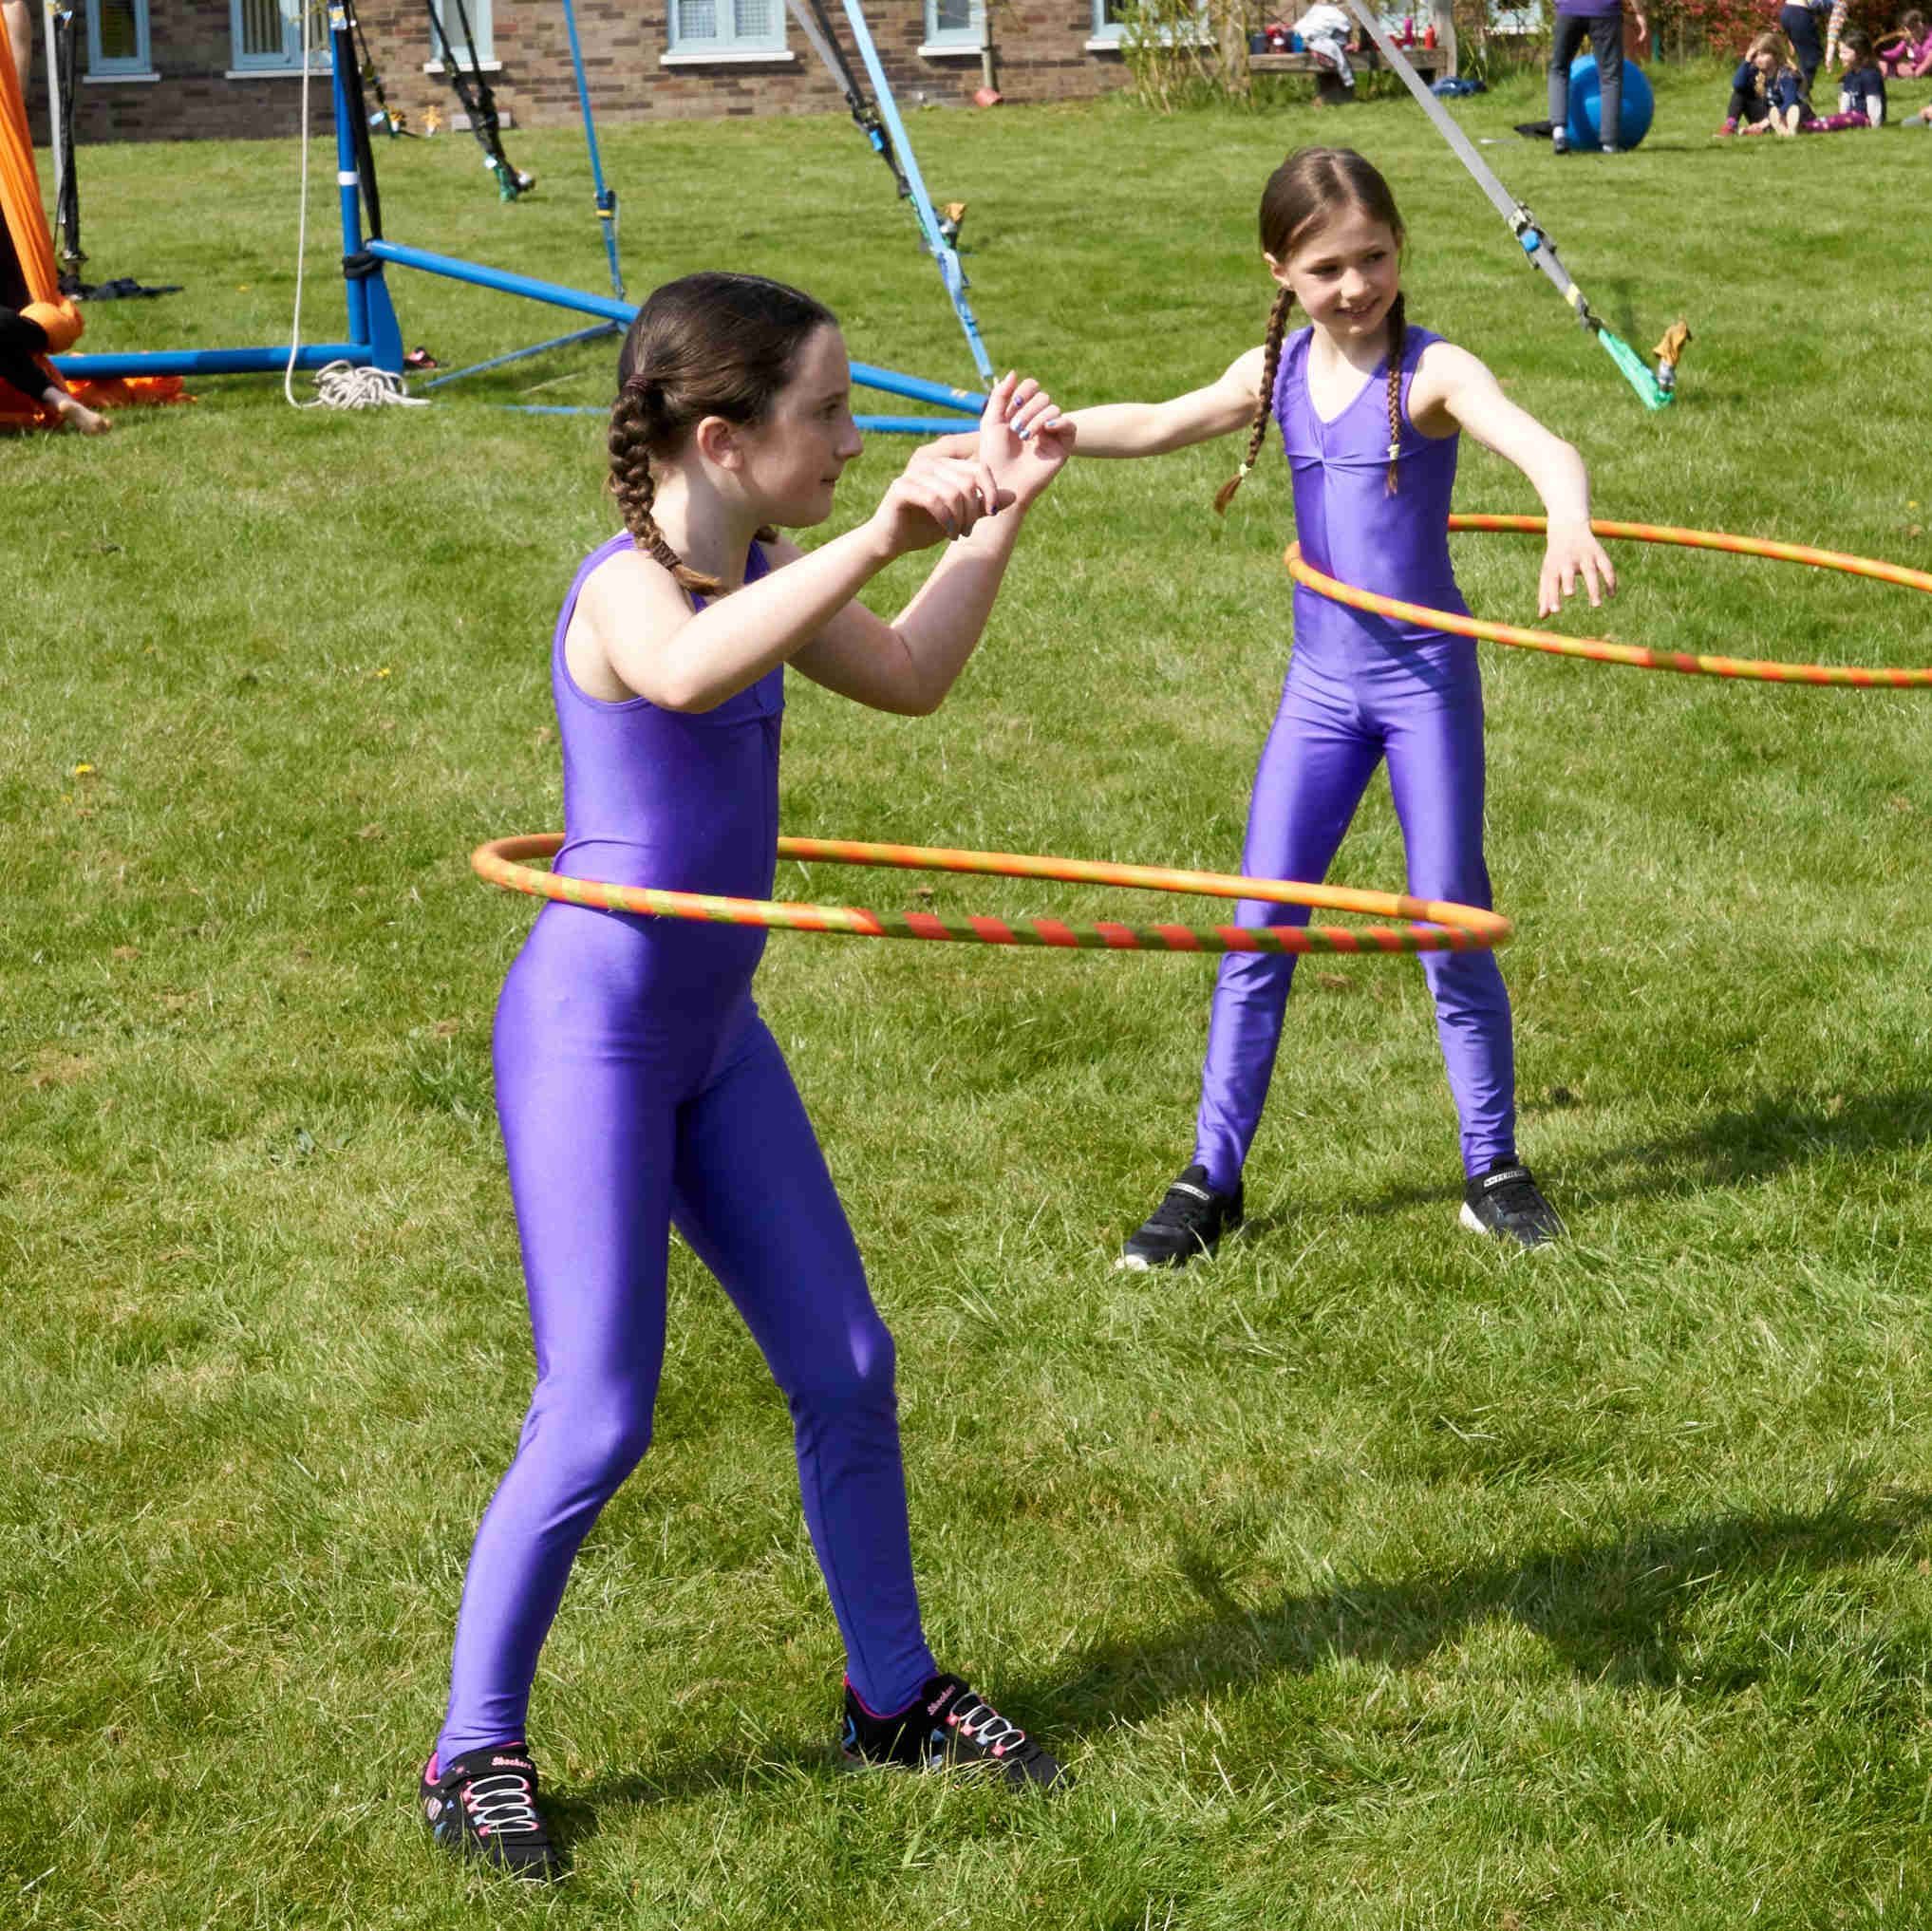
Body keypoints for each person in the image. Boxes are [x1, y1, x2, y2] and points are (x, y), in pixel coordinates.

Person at [418, 272, 1075, 1882]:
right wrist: (887, 531)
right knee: (599, 1411)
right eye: (830, 416)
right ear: (724, 436)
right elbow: (696, 671)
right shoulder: (627, 592)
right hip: (596, 1033)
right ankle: (471, 1745)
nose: (854, 442)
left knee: (848, 1354)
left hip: (713, 1036)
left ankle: (891, 1692)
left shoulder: (765, 566)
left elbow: (914, 675)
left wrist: (992, 522)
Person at [1058, 147, 1613, 1268]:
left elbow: (1546, 446)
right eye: (1326, 269)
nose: (1355, 286)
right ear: (1281, 273)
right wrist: (1040, 436)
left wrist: (1566, 515)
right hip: (1319, 693)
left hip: (1422, 686)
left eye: (1373, 258)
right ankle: (1210, 1180)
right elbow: (1164, 421)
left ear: (1401, 250)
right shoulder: (1273, 373)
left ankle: (1493, 1166)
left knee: (1446, 917)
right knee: (1259, 924)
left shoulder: (1434, 373)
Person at [1547, 0, 1647, 153]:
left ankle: (1559, 133)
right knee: (1610, 75)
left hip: (1568, 9)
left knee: (1559, 69)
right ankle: (1609, 143)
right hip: (1604, 10)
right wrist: (1639, 13)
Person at [0, 306, 108, 432]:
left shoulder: (35, 360)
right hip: (8, 321)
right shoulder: (34, 359)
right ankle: (60, 399)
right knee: (25, 373)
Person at [1779, 0, 1830, 91]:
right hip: (1798, 13)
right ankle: (1801, 91)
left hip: (1787, 11)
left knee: (1803, 55)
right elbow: (1815, 3)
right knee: (1812, 56)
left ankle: (1793, 85)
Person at [1876, 7, 1932, 73]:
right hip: (1915, 67)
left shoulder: (1929, 39)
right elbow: (1896, 53)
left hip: (1927, 67)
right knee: (1884, 64)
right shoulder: (1910, 37)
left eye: (1913, 27)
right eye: (1908, 29)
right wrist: (1880, 54)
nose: (1910, 32)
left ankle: (1914, 74)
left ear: (1921, 25)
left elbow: (1922, 59)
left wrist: (1913, 44)